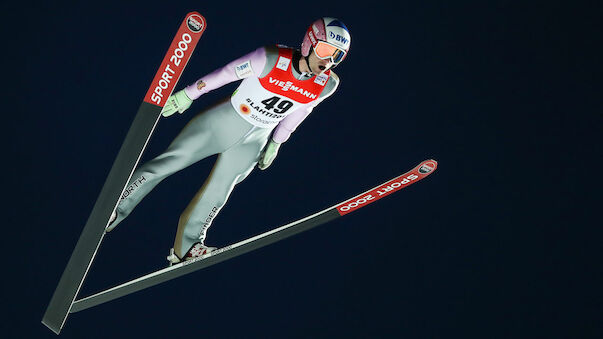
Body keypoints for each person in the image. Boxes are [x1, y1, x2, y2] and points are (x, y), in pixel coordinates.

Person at [106, 17, 351, 265]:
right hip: (223, 122)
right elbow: (225, 74)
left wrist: (277, 142)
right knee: (171, 162)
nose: (328, 60)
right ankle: (117, 206)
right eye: (325, 51)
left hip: (256, 139)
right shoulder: (270, 58)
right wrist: (189, 94)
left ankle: (187, 247)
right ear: (310, 43)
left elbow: (301, 111)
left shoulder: (327, 84)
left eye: (337, 56)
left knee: (219, 192)